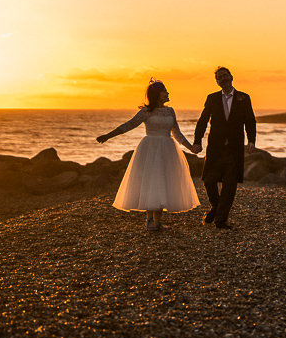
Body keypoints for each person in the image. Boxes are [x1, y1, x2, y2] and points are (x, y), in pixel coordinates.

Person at [96, 80, 200, 231]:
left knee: (163, 181)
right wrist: (108, 135)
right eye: (165, 91)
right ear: (157, 94)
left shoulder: (170, 111)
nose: (168, 93)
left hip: (167, 148)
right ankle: (149, 219)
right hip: (150, 148)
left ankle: (157, 221)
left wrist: (190, 147)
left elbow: (176, 133)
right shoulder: (146, 112)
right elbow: (129, 125)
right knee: (151, 180)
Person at [193, 66, 256, 229]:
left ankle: (221, 219)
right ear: (217, 82)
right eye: (220, 77)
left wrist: (251, 140)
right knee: (208, 180)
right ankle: (216, 206)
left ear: (231, 77)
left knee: (230, 184)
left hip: (234, 148)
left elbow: (250, 119)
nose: (223, 79)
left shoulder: (244, 97)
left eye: (225, 76)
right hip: (215, 147)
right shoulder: (212, 98)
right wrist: (197, 140)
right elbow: (203, 120)